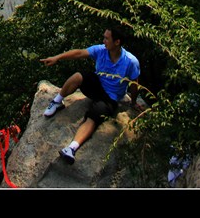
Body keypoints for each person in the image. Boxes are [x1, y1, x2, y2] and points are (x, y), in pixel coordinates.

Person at [40, 26, 141, 164]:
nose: (103, 41)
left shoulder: (130, 61)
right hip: (96, 85)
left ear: (117, 42)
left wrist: (133, 102)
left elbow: (134, 84)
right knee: (78, 76)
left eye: (107, 38)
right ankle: (57, 102)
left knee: (94, 115)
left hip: (110, 98)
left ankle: (72, 148)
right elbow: (79, 53)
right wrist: (57, 58)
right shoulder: (101, 50)